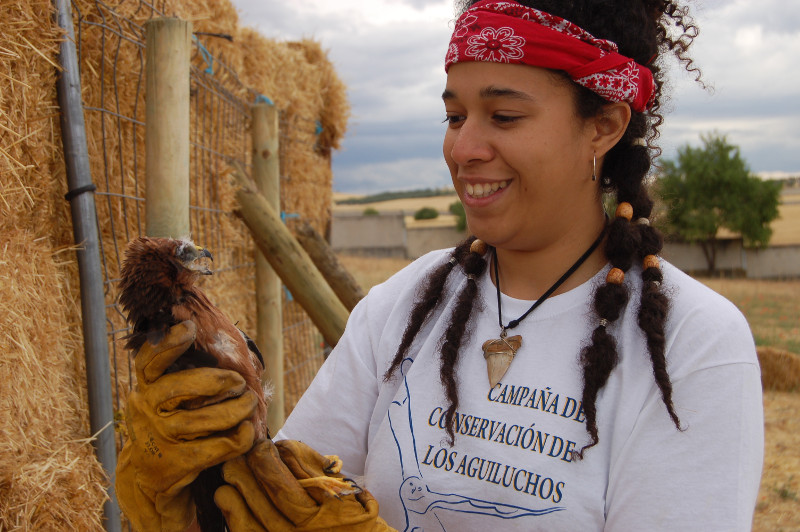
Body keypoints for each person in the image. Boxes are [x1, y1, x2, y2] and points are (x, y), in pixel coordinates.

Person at [116, 1, 764, 530]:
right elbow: (287, 496)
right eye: (454, 115)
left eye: (504, 115)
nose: (464, 147)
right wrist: (195, 491)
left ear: (605, 126)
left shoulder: (694, 346)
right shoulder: (403, 305)